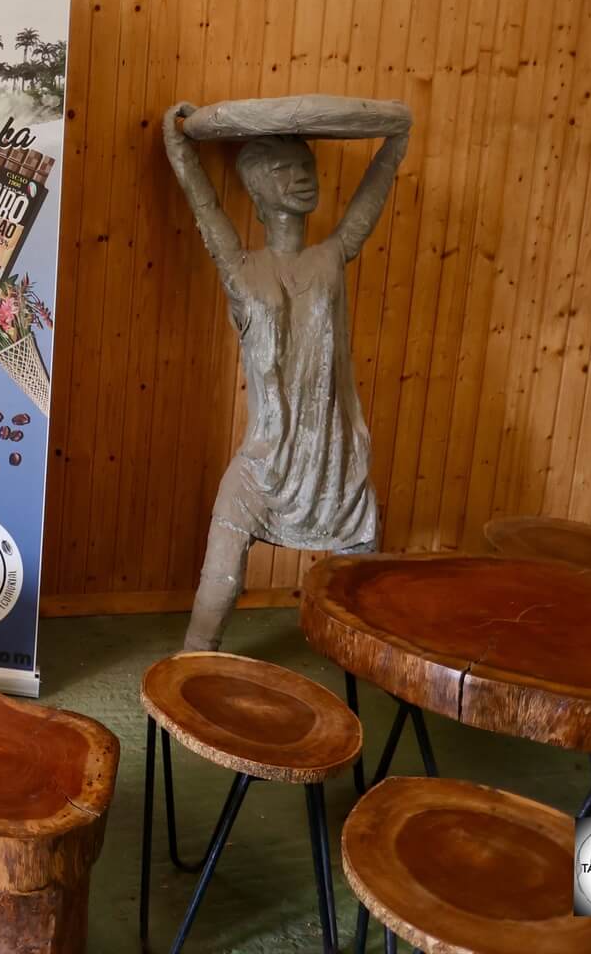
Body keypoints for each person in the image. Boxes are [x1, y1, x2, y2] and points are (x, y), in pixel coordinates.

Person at [162, 101, 410, 651]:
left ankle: (371, 659)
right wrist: (178, 148)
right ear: (256, 190)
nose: (301, 178)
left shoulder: (329, 259)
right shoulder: (243, 268)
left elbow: (367, 208)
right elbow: (205, 211)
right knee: (222, 566)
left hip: (332, 453)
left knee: (360, 584)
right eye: (282, 171)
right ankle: (191, 661)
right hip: (266, 454)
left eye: (306, 167)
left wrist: (394, 145)